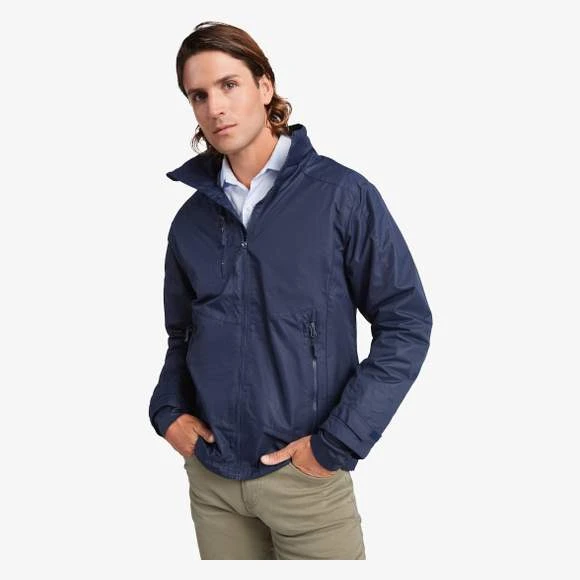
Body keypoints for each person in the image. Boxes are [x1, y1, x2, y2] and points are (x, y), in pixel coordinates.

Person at [149, 21, 433, 560]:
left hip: (305, 482)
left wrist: (336, 444)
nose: (215, 108)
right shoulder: (190, 221)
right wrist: (167, 411)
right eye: (198, 95)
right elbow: (181, 334)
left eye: (229, 85)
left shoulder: (341, 196)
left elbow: (406, 323)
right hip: (214, 484)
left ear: (264, 86)